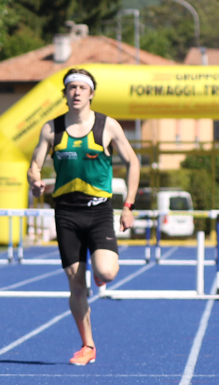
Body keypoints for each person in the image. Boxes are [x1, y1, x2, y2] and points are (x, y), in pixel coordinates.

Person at [27, 67, 141, 366]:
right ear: (65, 94)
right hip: (66, 213)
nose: (76, 92)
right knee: (76, 285)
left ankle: (100, 272)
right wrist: (35, 181)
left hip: (99, 210)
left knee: (107, 273)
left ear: (91, 93)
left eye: (82, 87)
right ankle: (88, 345)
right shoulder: (51, 129)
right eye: (71, 87)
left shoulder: (108, 126)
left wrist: (128, 206)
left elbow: (133, 161)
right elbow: (34, 166)